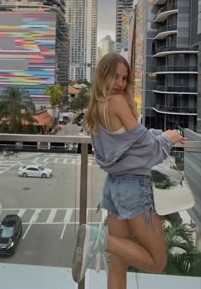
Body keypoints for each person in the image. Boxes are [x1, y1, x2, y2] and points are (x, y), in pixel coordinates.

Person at [72, 53, 186, 288]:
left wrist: (156, 136)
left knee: (119, 264)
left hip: (113, 186)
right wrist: (168, 138)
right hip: (133, 188)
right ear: (104, 76)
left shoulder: (97, 106)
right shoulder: (118, 103)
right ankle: (98, 239)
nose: (121, 84)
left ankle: (101, 240)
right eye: (116, 77)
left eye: (125, 79)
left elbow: (130, 142)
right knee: (157, 261)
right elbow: (149, 149)